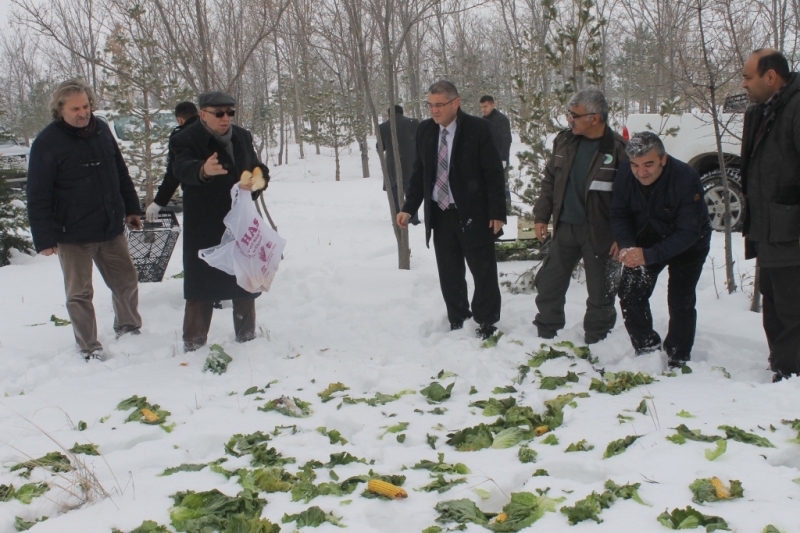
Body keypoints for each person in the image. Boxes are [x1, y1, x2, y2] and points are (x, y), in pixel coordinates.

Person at [26, 78, 142, 361]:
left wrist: (131, 208)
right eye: (75, 108)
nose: (83, 112)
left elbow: (120, 171)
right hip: (72, 233)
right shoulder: (47, 142)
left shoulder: (101, 130)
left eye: (86, 106)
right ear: (60, 110)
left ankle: (130, 330)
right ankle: (89, 346)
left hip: (110, 227)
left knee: (126, 281)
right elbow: (38, 193)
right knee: (79, 294)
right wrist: (44, 238)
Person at [397, 81, 507, 340]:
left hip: (473, 213)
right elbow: (419, 173)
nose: (434, 111)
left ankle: (486, 321)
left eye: (439, 105)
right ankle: (458, 318)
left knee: (483, 271)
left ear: (455, 103)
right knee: (449, 272)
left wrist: (497, 213)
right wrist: (409, 207)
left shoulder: (479, 129)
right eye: (430, 105)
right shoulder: (425, 130)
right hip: (441, 213)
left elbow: (493, 173)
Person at [171, 91, 270, 352]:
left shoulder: (242, 136)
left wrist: (257, 181)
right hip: (204, 222)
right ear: (203, 114)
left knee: (244, 283)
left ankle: (247, 341)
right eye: (219, 113)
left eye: (230, 113)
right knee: (200, 287)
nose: (226, 118)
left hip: (240, 220)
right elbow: (180, 167)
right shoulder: (185, 138)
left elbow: (258, 168)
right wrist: (203, 170)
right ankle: (193, 345)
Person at [532, 88, 628, 344]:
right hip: (565, 228)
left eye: (574, 115)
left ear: (594, 118)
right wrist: (541, 216)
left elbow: (630, 199)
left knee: (600, 292)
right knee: (549, 284)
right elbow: (550, 180)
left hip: (601, 233)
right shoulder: (564, 141)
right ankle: (547, 333)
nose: (569, 120)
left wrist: (624, 236)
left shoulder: (618, 149)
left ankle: (598, 340)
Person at [611, 132, 711, 368]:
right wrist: (627, 245)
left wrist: (648, 255)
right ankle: (646, 348)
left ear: (663, 160)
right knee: (630, 293)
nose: (641, 172)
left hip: (689, 242)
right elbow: (619, 213)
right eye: (635, 165)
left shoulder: (685, 177)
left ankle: (678, 355)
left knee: (680, 299)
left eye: (648, 164)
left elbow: (689, 231)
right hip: (646, 236)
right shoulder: (626, 173)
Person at [740, 48, 800, 382]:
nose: (744, 83)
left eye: (749, 77)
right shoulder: (763, 110)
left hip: (791, 230)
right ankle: (782, 365)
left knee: (792, 308)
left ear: (771, 77)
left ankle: (791, 376)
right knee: (774, 305)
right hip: (768, 229)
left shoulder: (796, 106)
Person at [145, 101, 199, 222]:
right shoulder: (211, 130)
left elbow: (174, 173)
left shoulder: (181, 137)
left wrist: (159, 202)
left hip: (195, 196)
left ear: (179, 120)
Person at [378, 105, 420, 224]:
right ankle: (413, 218)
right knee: (411, 194)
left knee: (395, 194)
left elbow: (380, 147)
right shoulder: (413, 123)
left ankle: (397, 218)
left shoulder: (383, 126)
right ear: (402, 113)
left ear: (389, 115)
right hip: (411, 164)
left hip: (392, 166)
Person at [479, 95, 513, 205]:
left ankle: (507, 209)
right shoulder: (482, 121)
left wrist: (503, 158)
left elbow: (506, 139)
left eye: (486, 106)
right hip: (486, 159)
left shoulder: (501, 119)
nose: (483, 109)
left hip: (500, 158)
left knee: (503, 184)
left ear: (493, 105)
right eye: (482, 107)